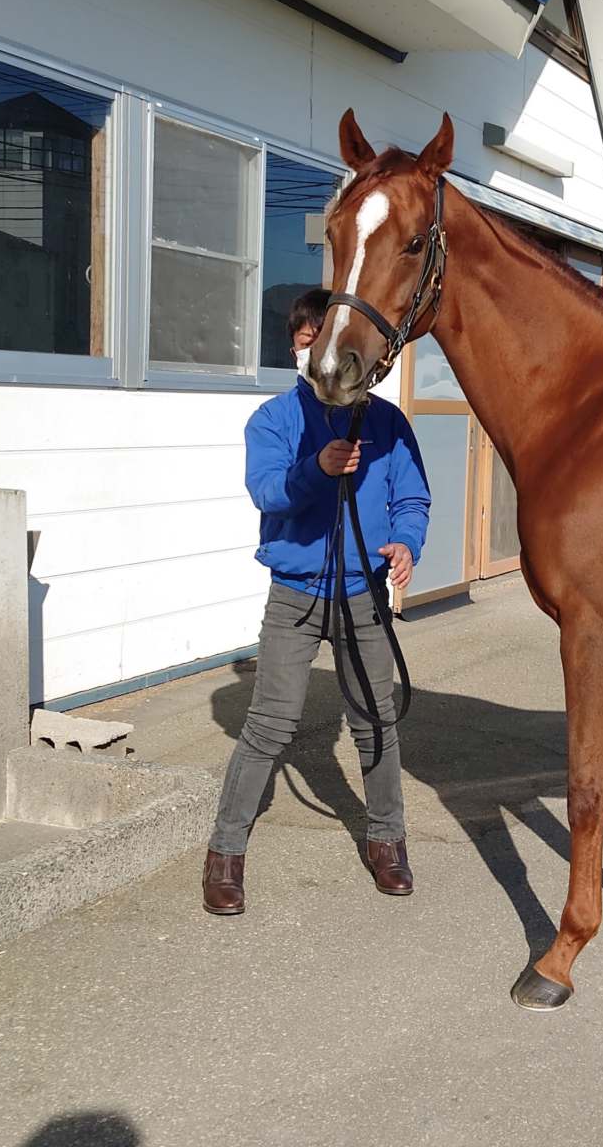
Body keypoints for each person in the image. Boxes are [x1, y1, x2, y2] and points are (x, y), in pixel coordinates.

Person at [202, 288, 431, 915]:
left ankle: (387, 840)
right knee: (270, 723)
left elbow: (412, 498)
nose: (318, 348)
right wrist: (317, 468)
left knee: (376, 722)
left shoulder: (386, 422)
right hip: (295, 597)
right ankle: (225, 852)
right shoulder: (274, 419)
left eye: (326, 336)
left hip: (364, 595)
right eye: (307, 338)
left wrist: (408, 543)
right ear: (297, 345)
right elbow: (268, 492)